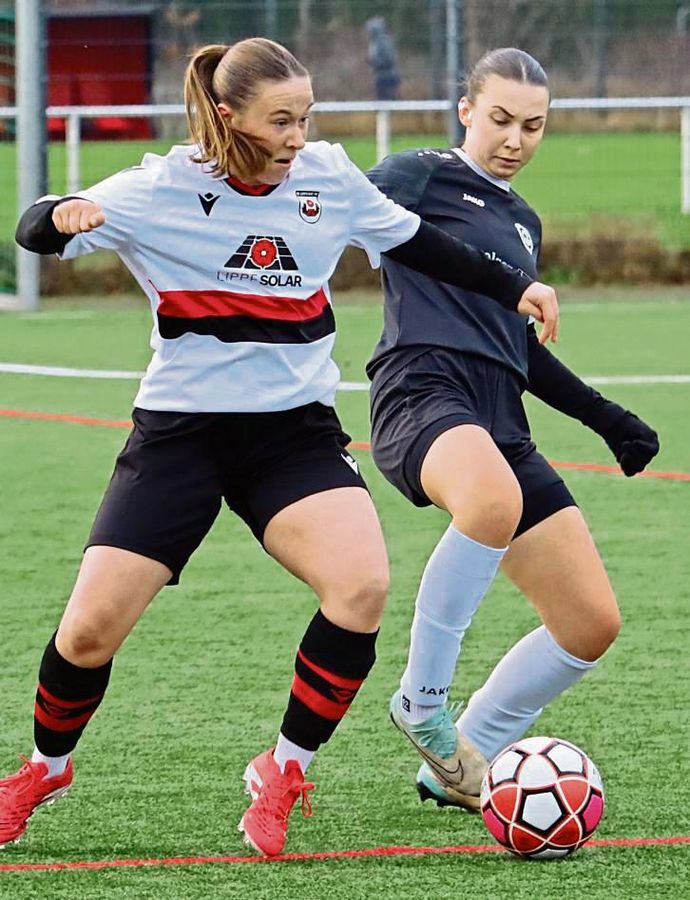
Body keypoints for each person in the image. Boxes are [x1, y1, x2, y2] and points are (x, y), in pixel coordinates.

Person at [3, 39, 559, 856]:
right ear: (228, 118)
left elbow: (417, 243)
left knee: (361, 586)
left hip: (291, 435)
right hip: (180, 435)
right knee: (87, 632)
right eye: (280, 121)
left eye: (306, 116)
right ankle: (44, 768)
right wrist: (61, 214)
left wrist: (517, 286)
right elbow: (32, 231)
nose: (299, 135)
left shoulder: (328, 176)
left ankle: (283, 768)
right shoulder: (162, 187)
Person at [365, 47, 659, 810]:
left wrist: (607, 418)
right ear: (466, 110)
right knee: (489, 502)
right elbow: (332, 215)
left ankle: (460, 760)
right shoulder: (414, 173)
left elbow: (519, 345)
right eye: (499, 119)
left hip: (501, 415)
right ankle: (421, 703)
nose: (515, 139)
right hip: (420, 391)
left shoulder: (523, 221)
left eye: (533, 126)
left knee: (590, 623)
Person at [364, 17, 401, 101]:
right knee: (382, 100)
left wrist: (374, 62)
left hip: (388, 76)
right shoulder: (375, 43)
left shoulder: (383, 42)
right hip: (380, 76)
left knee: (388, 100)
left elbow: (389, 60)